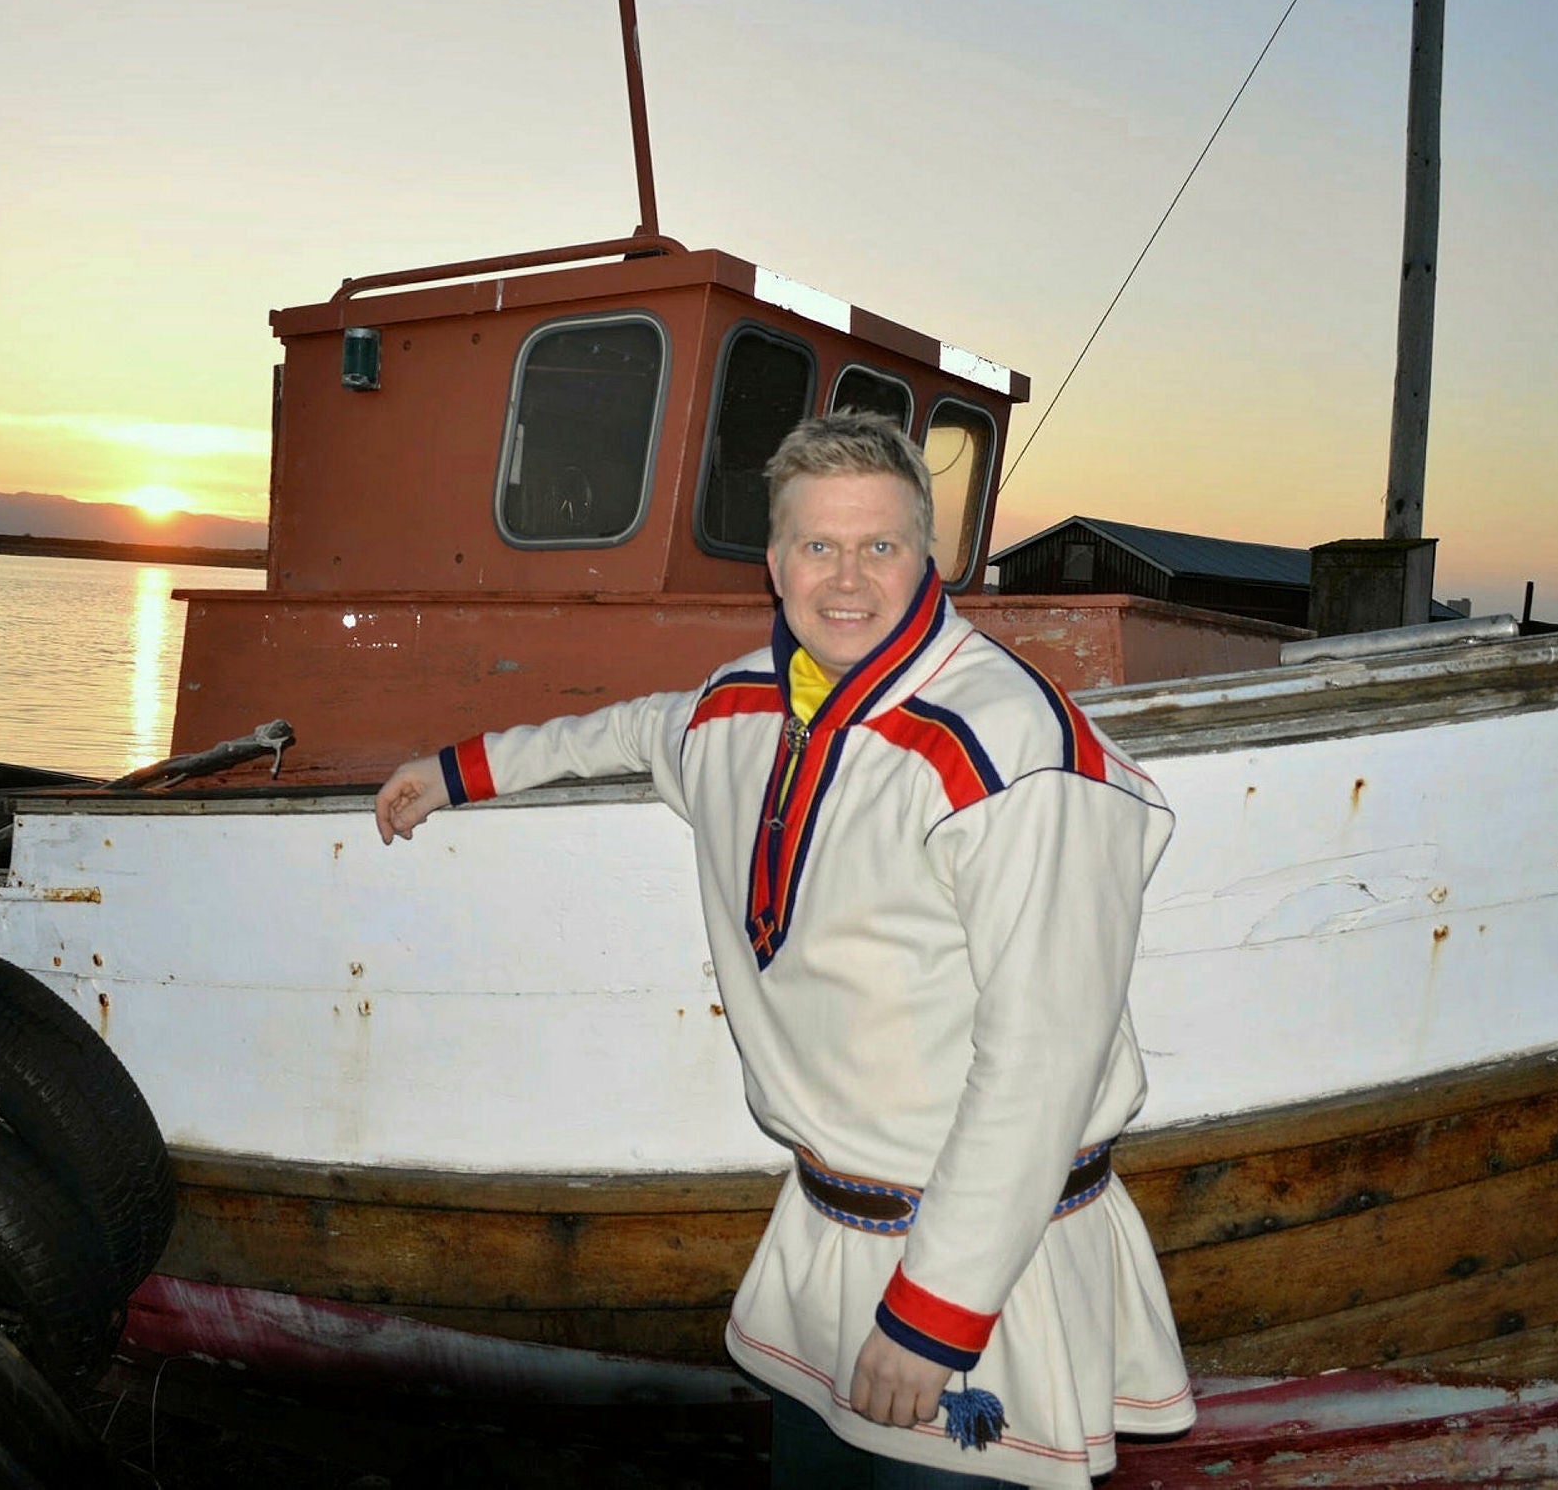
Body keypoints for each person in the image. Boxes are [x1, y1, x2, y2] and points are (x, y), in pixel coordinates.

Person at [374, 410, 1193, 1487]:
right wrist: (462, 770)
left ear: (929, 558)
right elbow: (632, 728)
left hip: (985, 1275)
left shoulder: (1013, 754)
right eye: (818, 545)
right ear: (774, 561)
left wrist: (936, 1312)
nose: (847, 579)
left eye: (880, 545)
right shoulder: (742, 705)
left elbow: (1046, 1059)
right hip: (822, 1240)